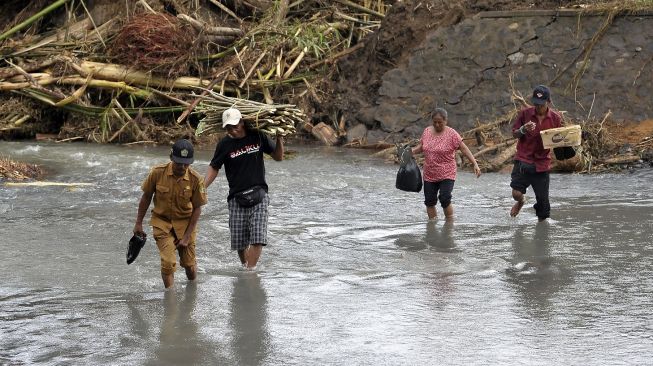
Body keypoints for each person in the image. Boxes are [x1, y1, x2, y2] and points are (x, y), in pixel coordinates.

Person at [204, 107, 284, 269]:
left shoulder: (258, 136)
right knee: (240, 243)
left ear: (242, 122)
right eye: (228, 128)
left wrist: (280, 139)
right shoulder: (224, 144)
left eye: (235, 126)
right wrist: (202, 186)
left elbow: (278, 157)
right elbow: (214, 167)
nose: (233, 130)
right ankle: (246, 266)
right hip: (236, 198)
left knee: (258, 238)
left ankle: (250, 272)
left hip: (259, 194)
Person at [133, 139, 208, 288]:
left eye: (186, 163)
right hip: (162, 223)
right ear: (171, 157)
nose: (182, 167)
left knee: (189, 265)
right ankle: (170, 300)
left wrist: (186, 237)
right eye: (179, 162)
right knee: (168, 263)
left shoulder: (196, 179)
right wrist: (138, 223)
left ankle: (192, 291)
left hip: (186, 224)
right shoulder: (157, 173)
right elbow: (146, 197)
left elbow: (198, 208)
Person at [411, 107, 481, 220]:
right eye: (435, 122)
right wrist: (411, 152)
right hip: (430, 174)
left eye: (440, 122)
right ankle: (432, 227)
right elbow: (422, 147)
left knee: (444, 198)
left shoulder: (452, 134)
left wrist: (475, 164)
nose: (437, 125)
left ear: (445, 121)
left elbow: (464, 149)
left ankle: (449, 226)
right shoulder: (427, 131)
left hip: (447, 173)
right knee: (429, 201)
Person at [510, 85, 562, 221]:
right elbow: (514, 134)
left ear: (548, 101)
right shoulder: (525, 114)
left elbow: (560, 138)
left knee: (543, 209)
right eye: (536, 104)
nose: (538, 107)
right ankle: (521, 201)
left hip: (542, 163)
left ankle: (542, 236)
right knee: (516, 193)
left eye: (541, 104)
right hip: (523, 159)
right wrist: (523, 129)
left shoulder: (556, 118)